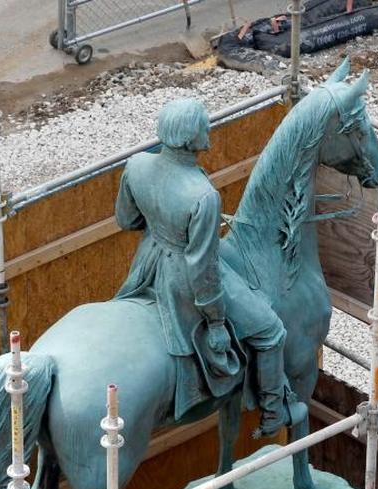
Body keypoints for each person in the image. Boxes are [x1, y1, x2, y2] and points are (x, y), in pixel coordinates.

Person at [113, 98, 307, 435]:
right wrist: (216, 322)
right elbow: (202, 268)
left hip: (147, 261)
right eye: (205, 126)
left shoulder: (136, 165)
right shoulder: (203, 195)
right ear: (190, 138)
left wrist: (162, 225)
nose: (209, 131)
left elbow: (127, 220)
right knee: (270, 331)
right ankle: (274, 412)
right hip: (181, 278)